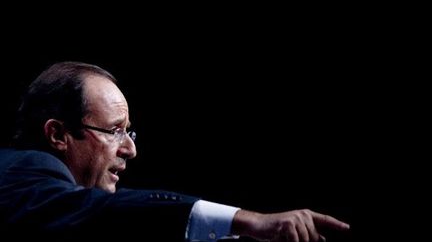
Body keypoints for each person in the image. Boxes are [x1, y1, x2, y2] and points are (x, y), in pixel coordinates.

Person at [0, 61, 350, 242]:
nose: (130, 149)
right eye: (115, 130)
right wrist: (248, 220)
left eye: (129, 131)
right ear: (58, 134)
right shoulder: (19, 174)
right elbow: (105, 214)